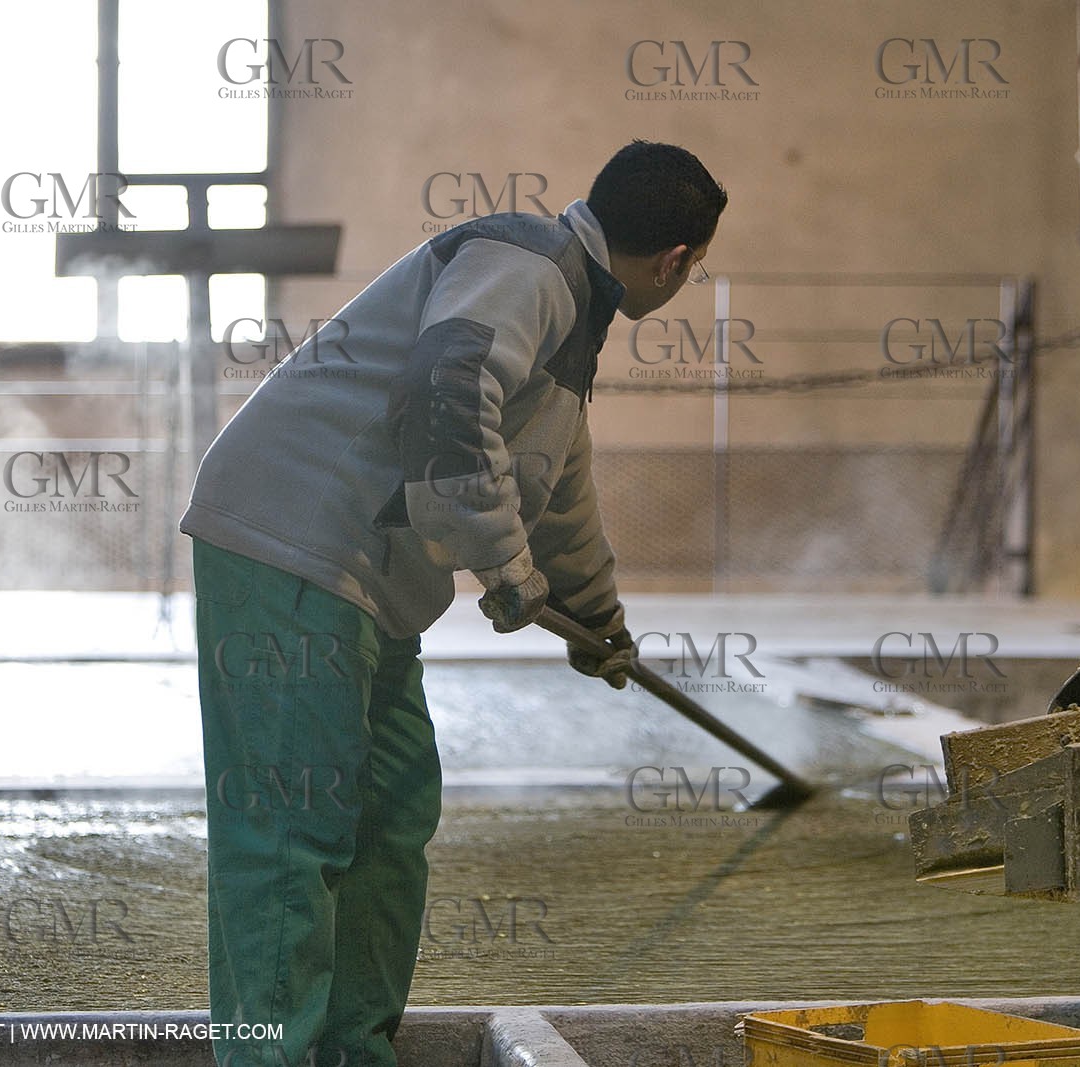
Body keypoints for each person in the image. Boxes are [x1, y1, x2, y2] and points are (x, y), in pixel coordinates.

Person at [180, 139, 727, 1067]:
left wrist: (599, 623)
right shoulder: (526, 265)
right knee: (290, 825)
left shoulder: (567, 323)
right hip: (294, 544)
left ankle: (355, 1050)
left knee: (390, 814)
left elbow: (559, 493)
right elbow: (446, 390)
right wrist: (505, 567)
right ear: (676, 261)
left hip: (371, 582)